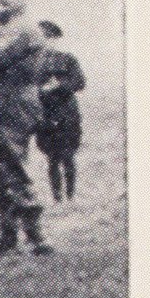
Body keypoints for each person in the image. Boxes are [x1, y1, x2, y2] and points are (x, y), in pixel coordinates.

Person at [0, 0, 50, 254]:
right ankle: (7, 236)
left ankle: (37, 237)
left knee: (14, 166)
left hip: (16, 104)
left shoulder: (28, 30)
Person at [35, 20, 86, 202]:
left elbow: (80, 82)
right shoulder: (33, 63)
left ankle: (70, 196)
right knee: (52, 159)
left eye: (49, 38)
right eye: (42, 38)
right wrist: (41, 90)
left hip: (67, 114)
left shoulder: (68, 59)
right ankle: (57, 198)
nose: (46, 42)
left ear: (55, 39)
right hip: (45, 115)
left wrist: (59, 85)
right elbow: (28, 87)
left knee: (68, 156)